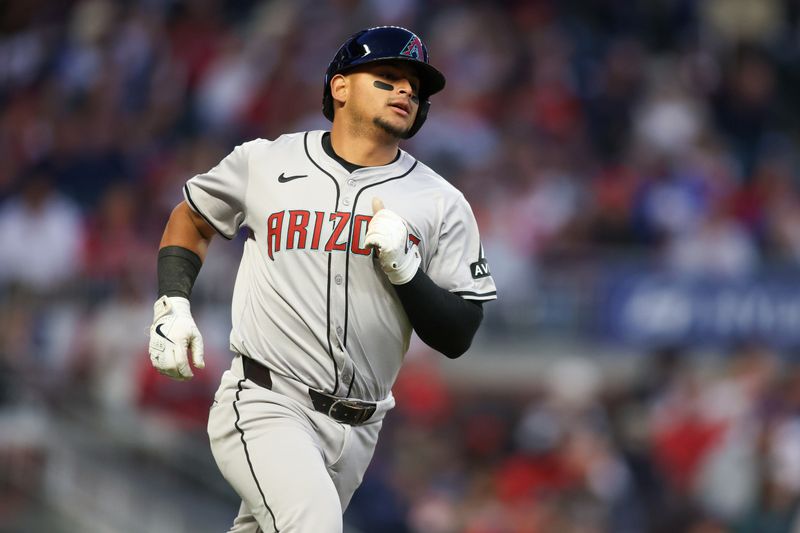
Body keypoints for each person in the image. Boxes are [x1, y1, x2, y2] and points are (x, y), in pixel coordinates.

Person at [147, 26, 496, 532]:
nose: (405, 91)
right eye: (388, 77)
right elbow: (193, 217)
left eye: (414, 88)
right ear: (340, 87)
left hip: (360, 427)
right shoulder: (266, 161)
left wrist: (406, 270)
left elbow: (459, 334)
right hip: (267, 398)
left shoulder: (441, 202)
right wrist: (172, 305)